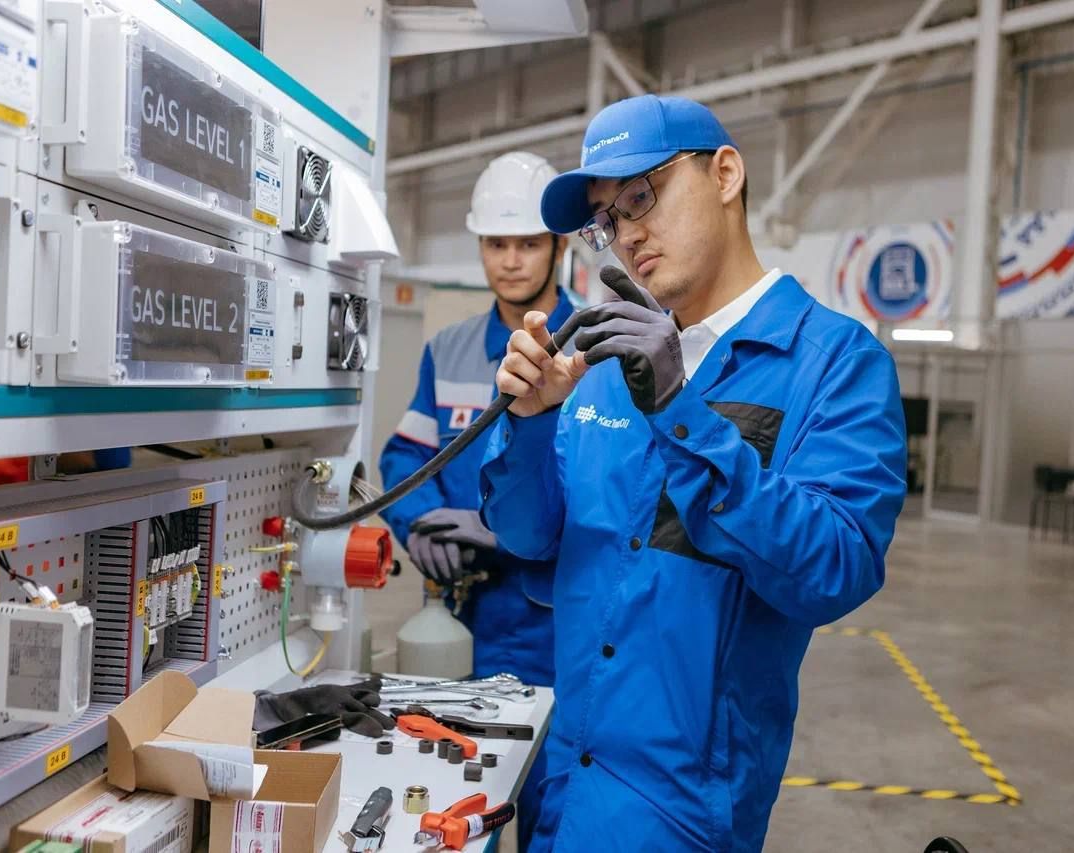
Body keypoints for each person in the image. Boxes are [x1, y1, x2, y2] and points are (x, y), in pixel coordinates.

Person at [481, 95, 908, 851]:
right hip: (562, 790)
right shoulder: (607, 371)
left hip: (682, 820)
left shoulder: (837, 365)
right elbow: (528, 534)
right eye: (607, 219)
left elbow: (835, 569)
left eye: (641, 195)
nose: (627, 234)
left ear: (726, 174)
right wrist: (530, 421)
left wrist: (680, 411)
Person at [377, 150, 573, 850]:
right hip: (462, 623)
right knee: (457, 815)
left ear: (559, 245)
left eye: (528, 243)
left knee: (553, 819)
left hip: (559, 630)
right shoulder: (450, 351)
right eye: (496, 243)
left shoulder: (596, 353)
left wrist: (504, 529)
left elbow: (613, 494)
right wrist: (419, 525)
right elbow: (405, 458)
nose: (511, 261)